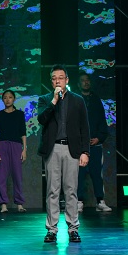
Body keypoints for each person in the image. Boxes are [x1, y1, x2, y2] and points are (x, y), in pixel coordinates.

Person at [37, 65, 90, 243]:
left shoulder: (78, 100)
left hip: (71, 149)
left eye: (61, 78)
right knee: (52, 191)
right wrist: (54, 101)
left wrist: (85, 151)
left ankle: (73, 228)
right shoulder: (45, 100)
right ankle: (51, 230)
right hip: (52, 149)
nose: (57, 81)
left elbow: (85, 128)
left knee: (71, 190)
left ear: (67, 80)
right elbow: (42, 119)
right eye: (54, 78)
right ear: (51, 82)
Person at [77, 72, 112, 212]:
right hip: (79, 145)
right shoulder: (75, 99)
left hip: (95, 144)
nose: (86, 82)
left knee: (97, 174)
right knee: (79, 174)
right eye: (83, 80)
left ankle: (100, 201)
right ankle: (78, 201)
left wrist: (99, 137)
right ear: (78, 84)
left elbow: (102, 121)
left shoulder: (96, 100)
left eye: (87, 80)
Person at [0, 89, 27, 213]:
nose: (7, 100)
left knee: (17, 175)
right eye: (5, 97)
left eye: (10, 97)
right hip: (2, 145)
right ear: (2, 100)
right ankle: (3, 205)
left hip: (16, 145)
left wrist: (24, 150)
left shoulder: (19, 114)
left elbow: (23, 133)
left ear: (14, 99)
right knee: (2, 176)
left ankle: (19, 204)